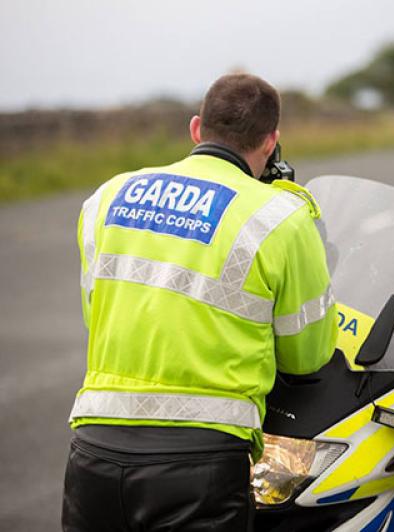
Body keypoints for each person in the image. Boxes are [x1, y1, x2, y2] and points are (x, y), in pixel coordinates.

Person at [62, 73, 338, 531]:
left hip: (93, 450)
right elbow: (306, 356)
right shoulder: (279, 217)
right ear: (271, 143)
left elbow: (99, 313)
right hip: (199, 465)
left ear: (196, 129)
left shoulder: (106, 197)